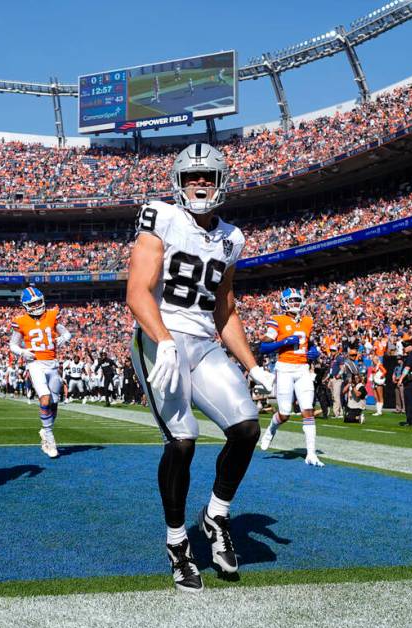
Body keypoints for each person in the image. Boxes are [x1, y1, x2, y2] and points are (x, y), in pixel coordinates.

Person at [126, 143, 275, 593]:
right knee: (183, 441)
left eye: (207, 176)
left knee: (247, 427)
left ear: (221, 182)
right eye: (191, 177)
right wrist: (165, 341)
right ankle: (177, 544)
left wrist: (253, 366)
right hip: (159, 339)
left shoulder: (232, 237)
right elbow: (137, 290)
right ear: (177, 182)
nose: (198, 184)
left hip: (203, 342)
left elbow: (224, 311)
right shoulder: (161, 218)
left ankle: (216, 516)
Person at [258, 288, 323, 466]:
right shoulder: (278, 320)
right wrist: (283, 342)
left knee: (308, 410)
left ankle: (311, 453)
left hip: (303, 369)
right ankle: (271, 428)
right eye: (292, 300)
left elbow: (310, 343)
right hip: (285, 368)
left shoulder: (308, 321)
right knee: (285, 414)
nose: (295, 303)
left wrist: (314, 351)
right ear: (284, 302)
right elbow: (263, 346)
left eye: (297, 300)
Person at [10, 286, 72, 459]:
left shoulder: (51, 315)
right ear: (25, 305)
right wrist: (23, 352)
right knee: (44, 397)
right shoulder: (21, 321)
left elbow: (67, 334)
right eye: (33, 303)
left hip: (52, 363)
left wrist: (63, 338)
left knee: (54, 402)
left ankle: (46, 431)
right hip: (35, 363)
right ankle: (49, 438)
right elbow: (13, 345)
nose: (37, 305)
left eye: (38, 302)